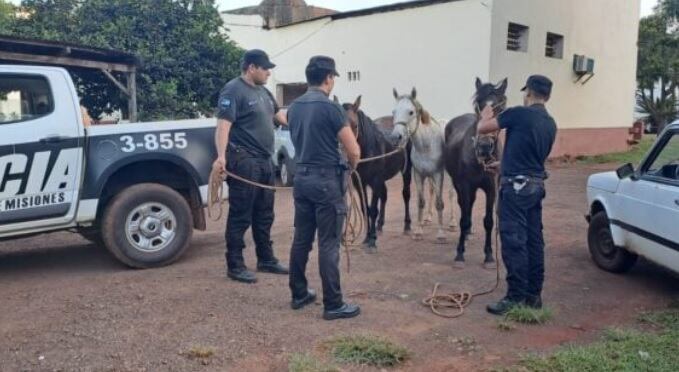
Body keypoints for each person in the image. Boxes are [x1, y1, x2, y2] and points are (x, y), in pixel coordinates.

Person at [286, 56, 362, 320]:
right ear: (328, 78)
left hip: (302, 179)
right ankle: (333, 303)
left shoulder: (293, 107)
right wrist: (351, 166)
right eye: (333, 78)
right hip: (326, 181)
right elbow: (353, 149)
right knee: (329, 244)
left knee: (301, 239)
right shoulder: (331, 109)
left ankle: (298, 293)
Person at [476, 75, 557, 315]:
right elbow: (530, 156)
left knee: (513, 241)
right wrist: (504, 164)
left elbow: (483, 128)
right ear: (548, 96)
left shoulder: (519, 113)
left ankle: (515, 297)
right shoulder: (550, 123)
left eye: (525, 93)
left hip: (515, 189)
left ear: (529, 93)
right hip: (535, 186)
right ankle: (533, 296)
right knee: (534, 241)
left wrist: (487, 112)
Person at [213, 49, 289, 284]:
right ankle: (235, 265)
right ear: (251, 67)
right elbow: (223, 126)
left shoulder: (265, 92)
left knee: (265, 213)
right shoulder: (233, 90)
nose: (268, 72)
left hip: (266, 161)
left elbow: (281, 118)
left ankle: (266, 259)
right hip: (244, 160)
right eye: (265, 68)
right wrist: (221, 157)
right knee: (241, 214)